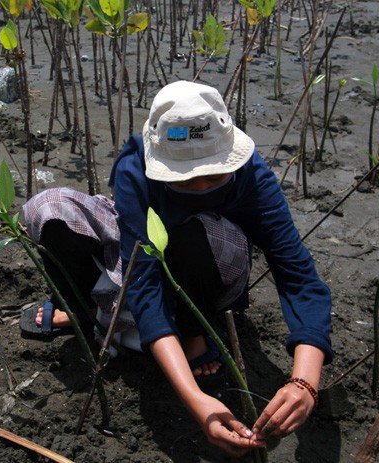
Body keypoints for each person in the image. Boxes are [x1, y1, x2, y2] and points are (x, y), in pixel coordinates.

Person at [19, 80, 333, 457]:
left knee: (190, 232)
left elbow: (296, 274)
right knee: (49, 208)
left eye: (213, 176)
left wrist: (304, 382)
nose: (200, 187)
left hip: (210, 265)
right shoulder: (135, 168)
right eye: (183, 178)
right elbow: (143, 279)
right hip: (143, 259)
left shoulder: (251, 175)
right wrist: (194, 397)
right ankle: (87, 310)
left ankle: (192, 329)